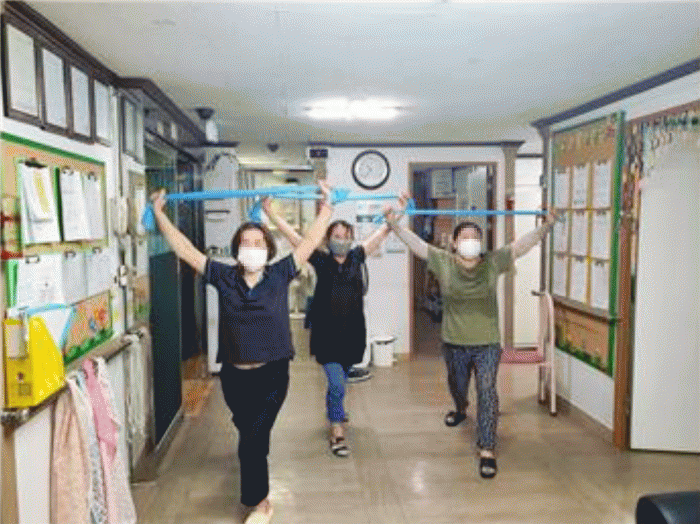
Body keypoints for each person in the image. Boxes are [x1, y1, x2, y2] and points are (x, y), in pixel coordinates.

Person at [151, 181, 333, 524]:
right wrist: (160, 215)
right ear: (236, 249)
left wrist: (326, 207)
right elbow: (186, 250)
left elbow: (310, 242)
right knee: (251, 434)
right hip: (234, 377)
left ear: (268, 249)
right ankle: (256, 472)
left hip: (273, 375)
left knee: (252, 438)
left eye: (258, 243)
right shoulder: (223, 276)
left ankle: (259, 503)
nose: (252, 248)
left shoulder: (280, 274)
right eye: (246, 243)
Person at [385, 196, 557, 478]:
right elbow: (417, 246)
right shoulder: (443, 261)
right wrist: (395, 225)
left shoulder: (493, 262)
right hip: (454, 341)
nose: (470, 241)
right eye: (464, 237)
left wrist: (545, 227)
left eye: (475, 237)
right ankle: (460, 408)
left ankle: (487, 448)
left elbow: (522, 246)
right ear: (454, 243)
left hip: (487, 341)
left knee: (487, 391)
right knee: (458, 385)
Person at [264, 197, 404, 457]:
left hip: (352, 334)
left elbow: (383, 233)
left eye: (346, 236)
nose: (341, 240)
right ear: (328, 239)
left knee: (341, 383)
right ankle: (336, 429)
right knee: (337, 384)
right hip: (327, 336)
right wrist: (272, 215)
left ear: (352, 239)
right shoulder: (320, 260)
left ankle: (335, 410)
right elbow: (296, 238)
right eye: (336, 236)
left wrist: (397, 215)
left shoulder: (357, 257)